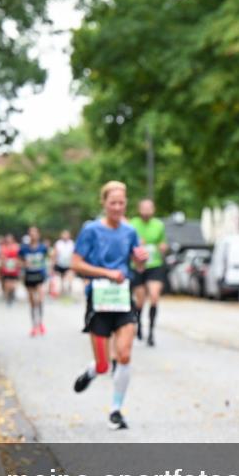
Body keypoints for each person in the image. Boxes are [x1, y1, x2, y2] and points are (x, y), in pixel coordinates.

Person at [71, 181, 148, 430]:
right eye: (112, 202)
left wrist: (140, 261)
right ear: (103, 203)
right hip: (99, 299)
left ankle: (116, 410)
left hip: (123, 298)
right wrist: (105, 273)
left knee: (124, 354)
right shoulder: (91, 230)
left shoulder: (130, 231)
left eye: (121, 203)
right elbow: (76, 263)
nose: (117, 207)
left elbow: (138, 266)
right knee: (105, 364)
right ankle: (94, 370)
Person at [128, 199, 168, 346]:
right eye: (143, 208)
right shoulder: (132, 224)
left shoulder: (159, 225)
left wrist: (163, 247)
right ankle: (138, 325)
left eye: (149, 208)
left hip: (154, 264)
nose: (146, 211)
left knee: (154, 296)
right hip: (137, 266)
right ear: (139, 209)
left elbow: (163, 242)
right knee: (140, 301)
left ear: (153, 209)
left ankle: (151, 333)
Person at [20, 226, 49, 336]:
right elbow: (19, 261)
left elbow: (49, 258)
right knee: (32, 302)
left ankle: (40, 323)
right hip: (29, 276)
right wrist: (24, 264)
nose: (33, 235)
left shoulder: (42, 247)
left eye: (34, 233)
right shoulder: (24, 248)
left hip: (40, 276)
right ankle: (33, 325)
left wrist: (49, 269)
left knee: (40, 299)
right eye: (30, 233)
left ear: (38, 235)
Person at [0, 233, 21, 305]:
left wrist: (17, 262)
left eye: (10, 239)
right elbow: (1, 257)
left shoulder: (16, 247)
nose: (8, 240)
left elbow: (19, 257)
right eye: (7, 239)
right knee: (7, 284)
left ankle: (12, 294)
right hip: (6, 270)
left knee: (13, 285)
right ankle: (8, 297)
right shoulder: (3, 247)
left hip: (14, 269)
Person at [53, 230, 76, 297]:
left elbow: (73, 253)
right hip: (60, 263)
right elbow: (55, 253)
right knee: (61, 277)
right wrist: (54, 262)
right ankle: (63, 289)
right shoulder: (58, 243)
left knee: (70, 275)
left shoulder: (71, 243)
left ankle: (69, 287)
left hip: (69, 263)